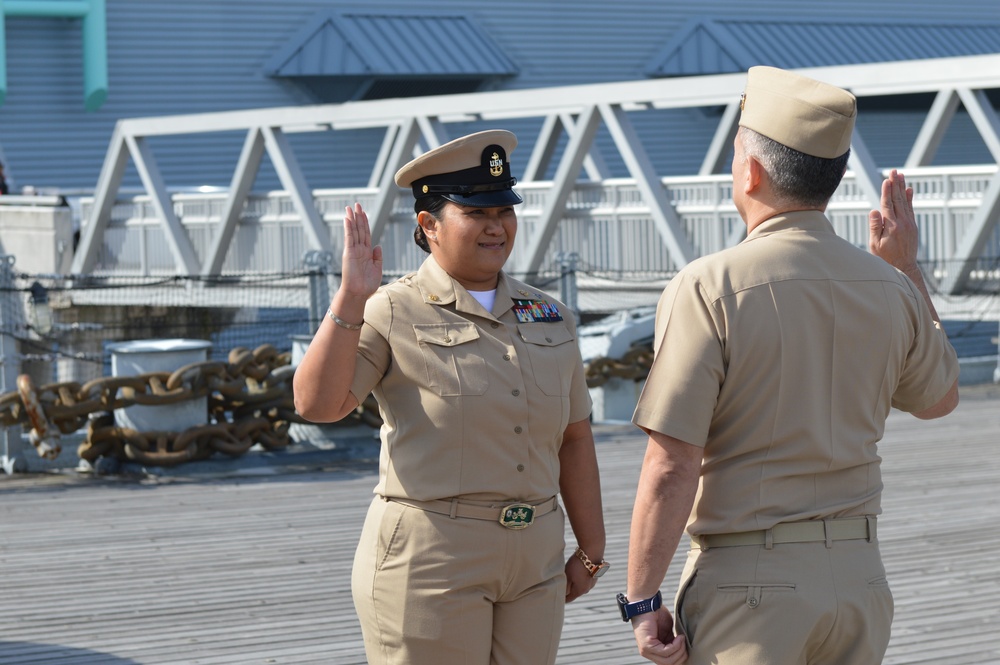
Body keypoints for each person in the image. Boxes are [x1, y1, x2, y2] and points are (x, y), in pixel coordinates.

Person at [621, 66, 960, 665]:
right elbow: (938, 400)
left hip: (751, 587)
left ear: (750, 171)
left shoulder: (709, 285)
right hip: (861, 582)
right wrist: (907, 270)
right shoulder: (890, 287)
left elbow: (672, 463)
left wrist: (642, 600)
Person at [293, 129, 608, 665]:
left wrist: (592, 550)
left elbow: (574, 438)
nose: (496, 225)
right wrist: (349, 298)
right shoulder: (391, 308)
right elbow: (318, 406)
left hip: (534, 558)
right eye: (476, 212)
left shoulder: (549, 314)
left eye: (505, 210)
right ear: (428, 224)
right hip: (431, 558)